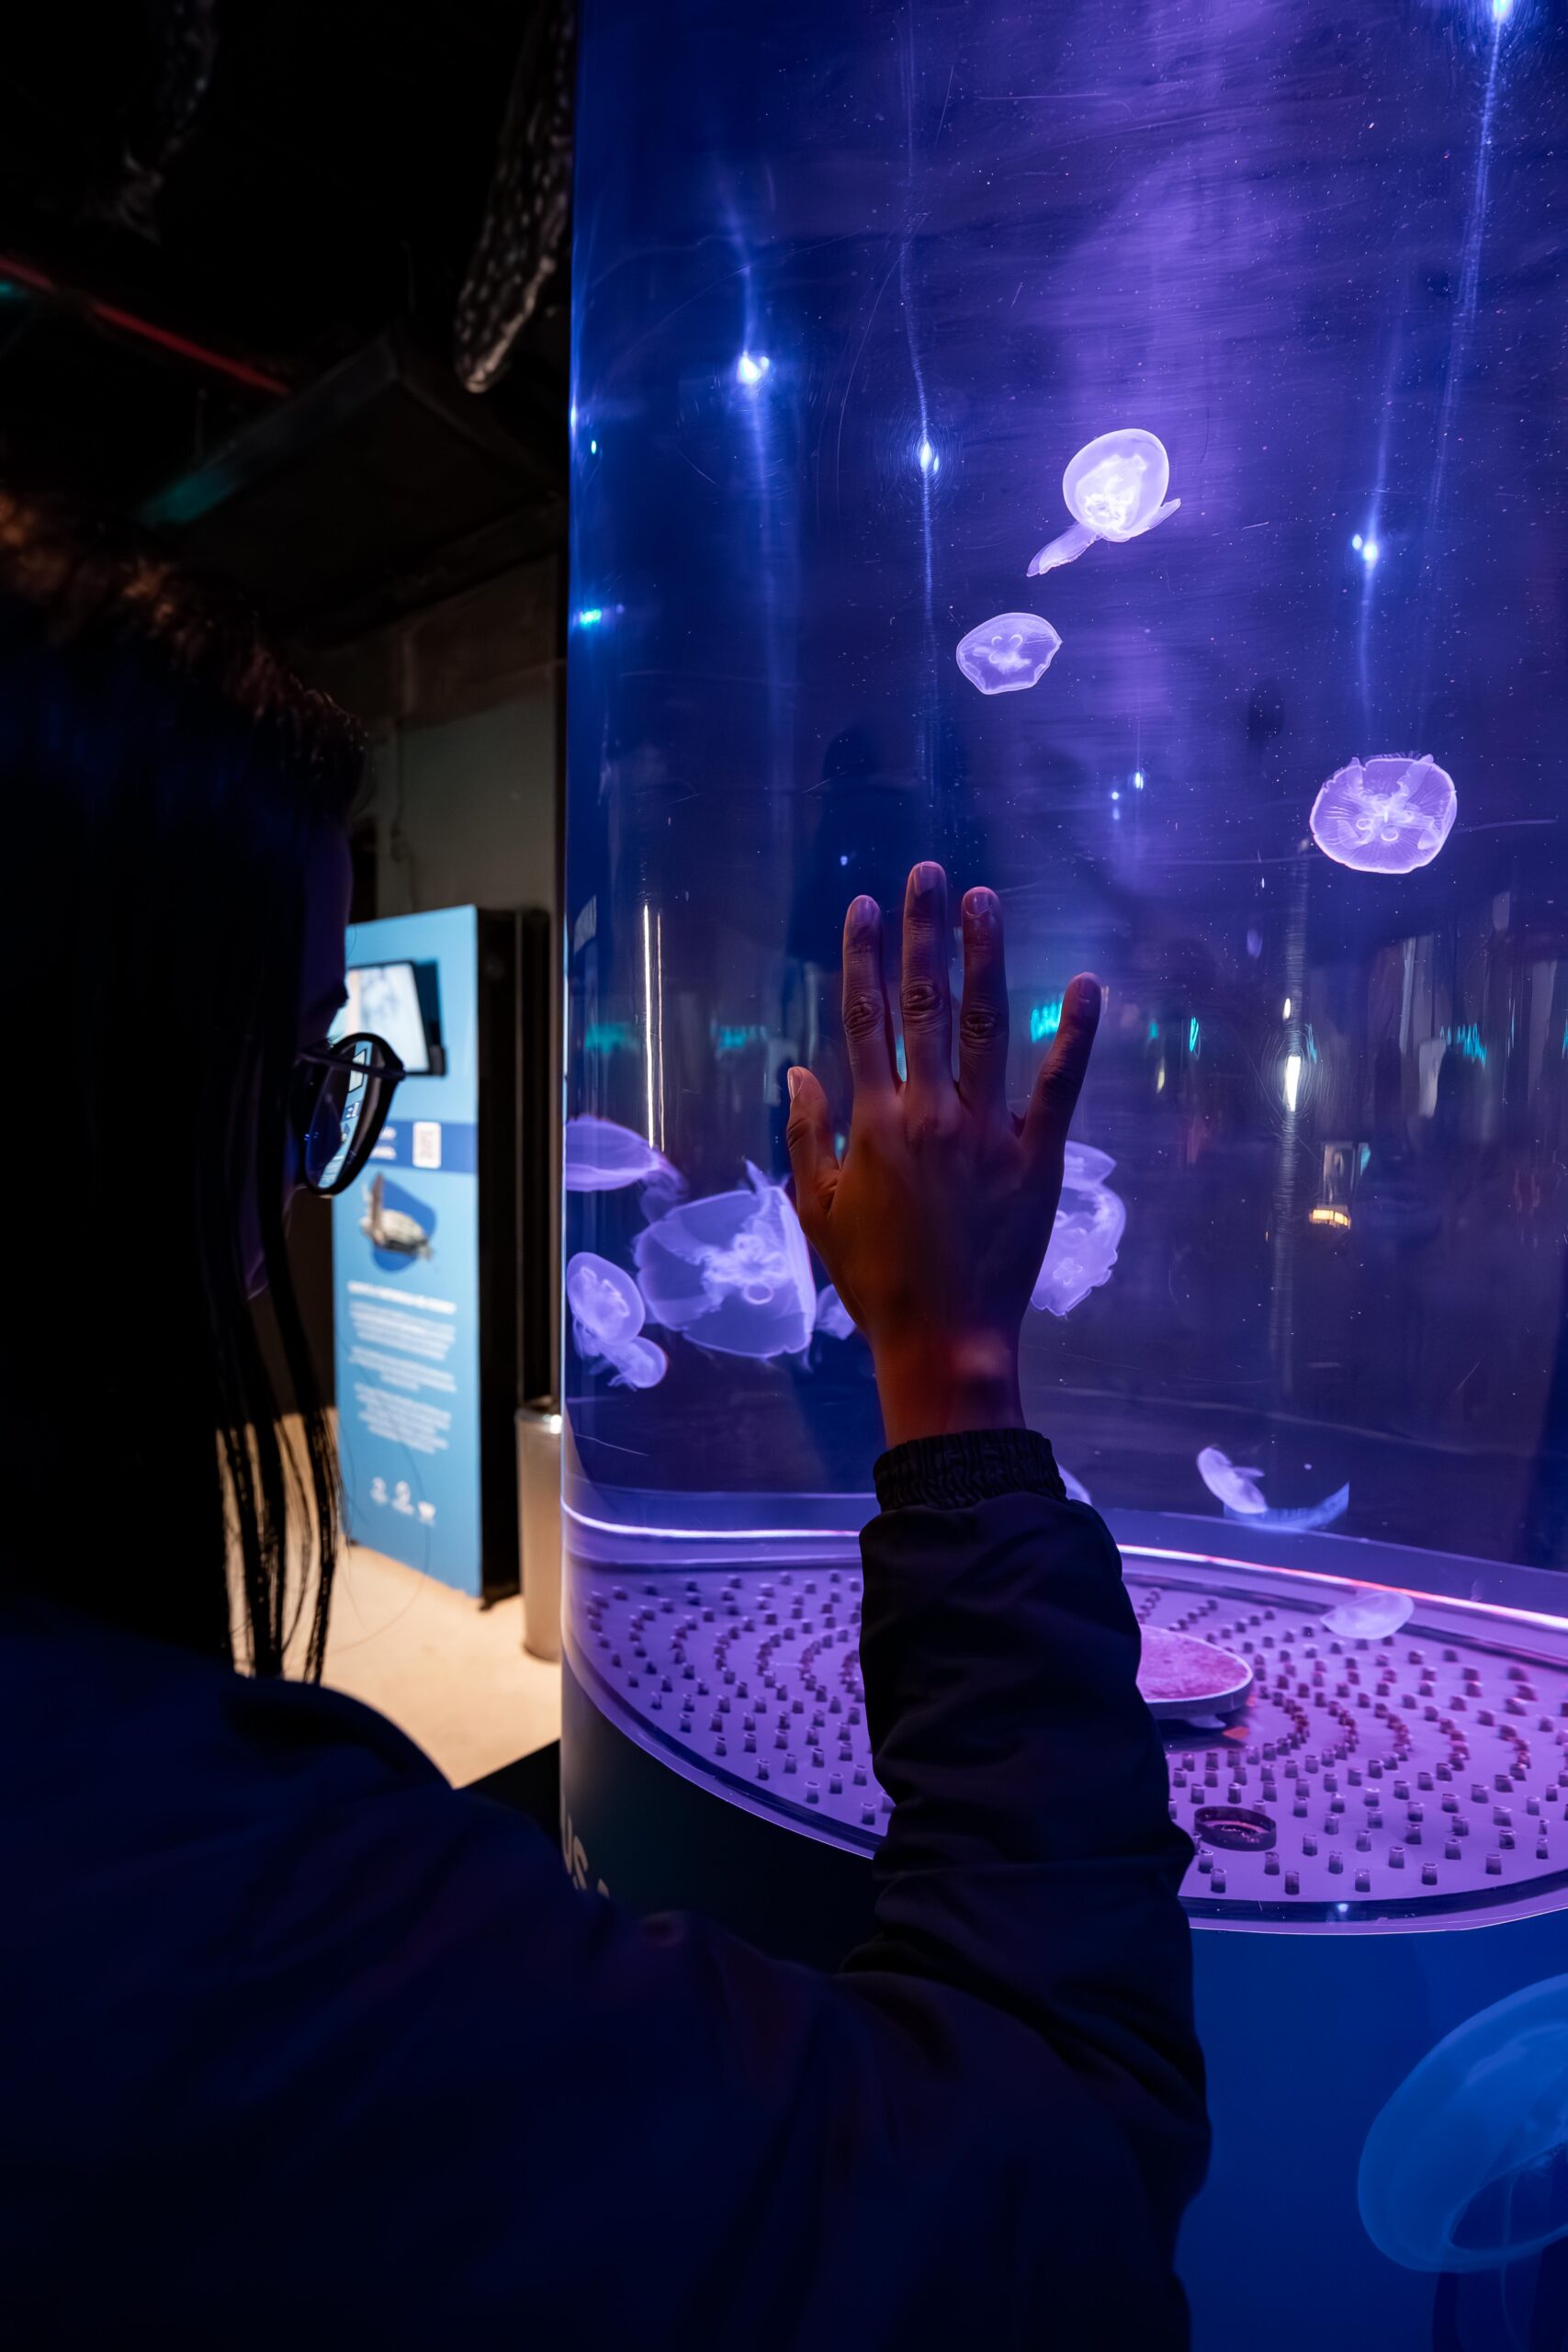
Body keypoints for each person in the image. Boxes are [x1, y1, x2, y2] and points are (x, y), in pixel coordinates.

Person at [0, 492, 1207, 2348]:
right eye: (295, 1077)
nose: (277, 1215)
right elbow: (1042, 2170)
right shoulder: (243, 1938)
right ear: (98, 1101)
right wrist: (956, 1373)